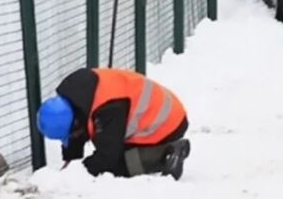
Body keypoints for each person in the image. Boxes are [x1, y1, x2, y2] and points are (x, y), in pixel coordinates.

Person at [36, 68, 191, 181]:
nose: (71, 138)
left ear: (76, 122)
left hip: (166, 122)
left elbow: (107, 156)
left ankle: (167, 154)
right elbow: (77, 132)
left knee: (119, 164)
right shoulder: (76, 96)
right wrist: (70, 161)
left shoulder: (107, 110)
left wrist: (81, 172)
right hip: (160, 109)